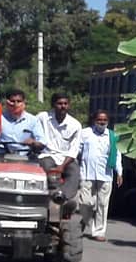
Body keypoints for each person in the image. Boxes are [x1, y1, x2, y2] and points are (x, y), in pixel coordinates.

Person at [78, 110, 123, 242]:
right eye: (99, 120)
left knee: (102, 204)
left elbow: (117, 155)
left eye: (104, 120)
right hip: (87, 174)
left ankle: (99, 231)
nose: (102, 122)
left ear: (108, 121)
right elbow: (77, 150)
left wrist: (119, 172)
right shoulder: (85, 133)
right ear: (94, 120)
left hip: (105, 175)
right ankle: (84, 221)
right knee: (86, 202)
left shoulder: (112, 136)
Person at [0, 89, 46, 163]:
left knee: (45, 163)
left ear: (24, 103)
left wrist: (34, 142)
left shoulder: (33, 120)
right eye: (12, 101)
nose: (15, 104)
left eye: (19, 101)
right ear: (7, 103)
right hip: (0, 156)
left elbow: (42, 141)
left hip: (26, 157)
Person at [37, 93, 82, 206]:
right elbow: (32, 127)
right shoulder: (43, 117)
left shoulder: (75, 124)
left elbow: (74, 150)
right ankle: (54, 193)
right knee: (47, 166)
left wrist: (62, 166)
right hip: (47, 154)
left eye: (65, 104)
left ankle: (63, 196)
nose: (63, 106)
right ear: (53, 104)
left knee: (74, 171)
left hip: (66, 158)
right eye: (60, 103)